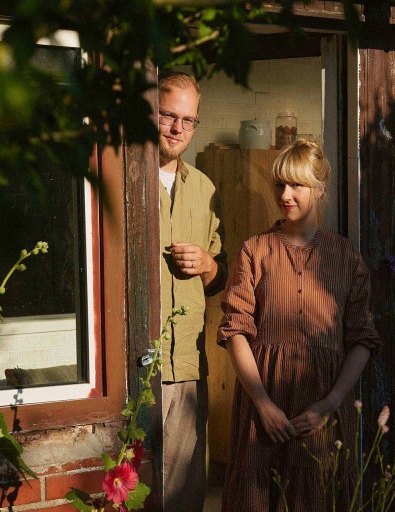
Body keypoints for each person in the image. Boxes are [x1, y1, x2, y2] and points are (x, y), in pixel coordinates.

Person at [217, 140, 380, 512]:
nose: (286, 195)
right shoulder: (254, 250)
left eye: (298, 185)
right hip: (264, 406)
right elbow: (235, 331)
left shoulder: (345, 256)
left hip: (321, 411)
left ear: (320, 190)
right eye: (279, 185)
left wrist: (331, 403)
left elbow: (362, 340)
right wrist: (263, 404)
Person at [157, 70, 227, 512]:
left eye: (188, 120)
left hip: (186, 363)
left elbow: (219, 280)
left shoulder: (203, 189)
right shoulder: (127, 181)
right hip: (136, 368)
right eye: (168, 116)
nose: (179, 128)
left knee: (183, 497)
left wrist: (206, 263)